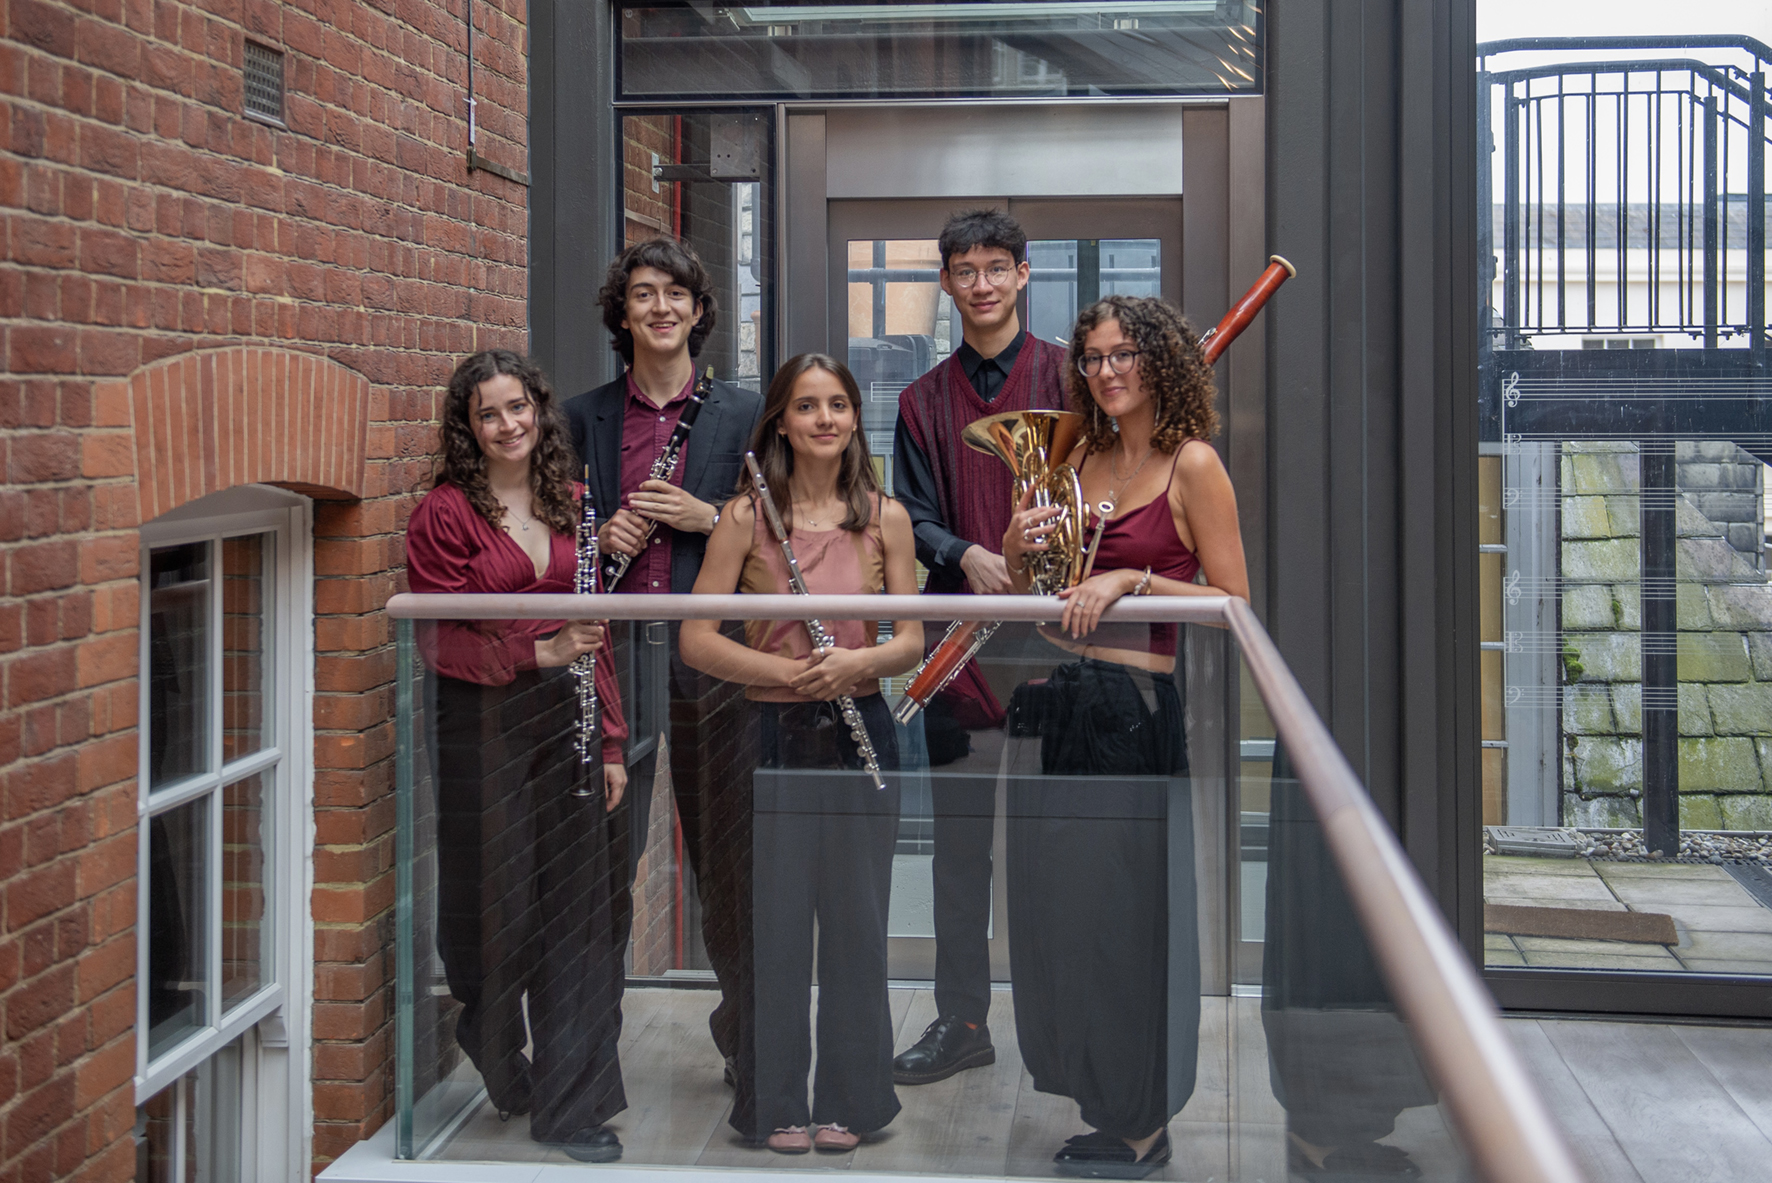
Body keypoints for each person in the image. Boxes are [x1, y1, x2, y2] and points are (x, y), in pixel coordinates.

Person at [1000, 295, 1249, 1179]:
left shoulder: (1193, 464)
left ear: (1162, 361)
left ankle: (1143, 1121)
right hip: (1059, 700)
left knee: (1126, 924)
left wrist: (1134, 579)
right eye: (1094, 357)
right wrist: (1017, 543)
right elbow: (1036, 593)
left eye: (1124, 354)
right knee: (1062, 919)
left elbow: (1234, 603)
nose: (1106, 371)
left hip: (1134, 710)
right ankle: (1103, 1103)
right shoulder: (1077, 457)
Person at [680, 354, 923, 1153]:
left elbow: (910, 640)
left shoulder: (886, 517)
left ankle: (853, 1097)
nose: (825, 419)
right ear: (781, 422)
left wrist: (856, 664)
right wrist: (788, 672)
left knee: (857, 920)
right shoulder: (744, 517)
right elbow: (696, 639)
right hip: (770, 728)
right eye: (808, 406)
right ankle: (775, 1097)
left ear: (855, 417)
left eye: (838, 405)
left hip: (859, 726)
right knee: (773, 924)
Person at [405, 349, 632, 1163]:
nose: (508, 425)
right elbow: (436, 638)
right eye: (488, 413)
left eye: (519, 406)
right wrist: (537, 652)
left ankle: (571, 1103)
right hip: (482, 723)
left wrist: (612, 741)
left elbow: (595, 633)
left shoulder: (570, 500)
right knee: (498, 908)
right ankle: (495, 1040)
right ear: (467, 428)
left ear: (540, 409)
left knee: (577, 910)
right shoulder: (443, 514)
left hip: (570, 717)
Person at [561, 236, 766, 1091]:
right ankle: (587, 1076)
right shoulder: (580, 417)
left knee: (730, 863)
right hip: (614, 661)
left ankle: (753, 1051)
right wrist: (595, 532)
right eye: (643, 293)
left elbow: (785, 530)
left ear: (698, 310)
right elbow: (551, 539)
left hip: (712, 656)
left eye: (676, 293)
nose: (661, 307)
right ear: (622, 311)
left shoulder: (745, 413)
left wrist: (706, 516)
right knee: (603, 867)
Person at [889, 208, 1069, 1085]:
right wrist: (967, 553)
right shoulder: (919, 400)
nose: (983, 283)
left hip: (1056, 652)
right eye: (966, 270)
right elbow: (911, 516)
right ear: (947, 282)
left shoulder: (1072, 380)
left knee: (1050, 853)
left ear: (1024, 273)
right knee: (960, 855)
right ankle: (962, 1019)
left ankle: (1060, 1023)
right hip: (959, 653)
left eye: (998, 267)